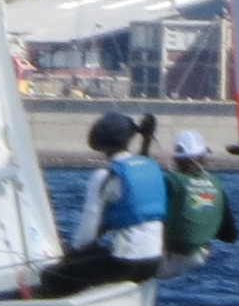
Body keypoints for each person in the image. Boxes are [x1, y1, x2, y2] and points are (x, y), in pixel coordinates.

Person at [39, 110, 169, 296]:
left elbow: (86, 236)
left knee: (51, 276)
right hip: (154, 262)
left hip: (127, 262)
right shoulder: (148, 166)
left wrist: (67, 256)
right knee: (92, 260)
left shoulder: (105, 176)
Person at [163, 127, 239, 266]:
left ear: (176, 158)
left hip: (168, 256)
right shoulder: (215, 184)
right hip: (198, 258)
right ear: (203, 157)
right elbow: (229, 236)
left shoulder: (170, 181)